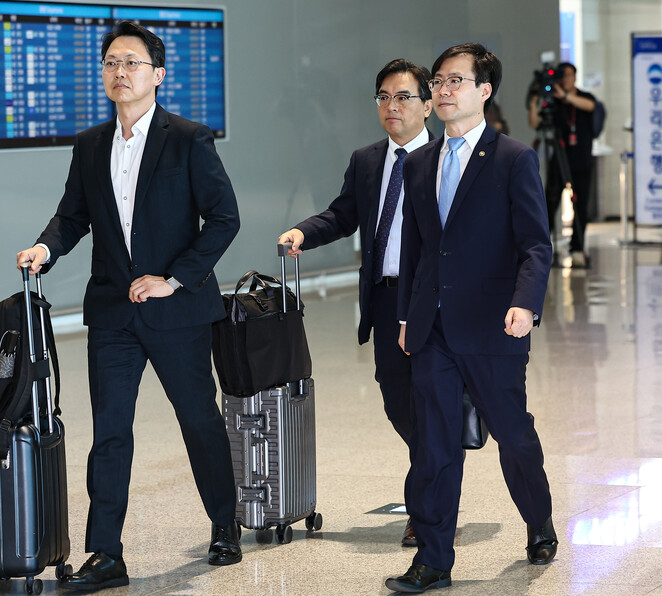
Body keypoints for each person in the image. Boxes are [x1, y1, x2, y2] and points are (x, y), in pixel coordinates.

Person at [15, 21, 242, 591]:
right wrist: (46, 246)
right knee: (110, 431)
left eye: (132, 63)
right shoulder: (90, 143)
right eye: (112, 62)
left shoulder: (188, 138)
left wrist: (174, 279)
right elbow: (73, 215)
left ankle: (225, 526)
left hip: (177, 310)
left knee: (199, 421)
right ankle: (106, 553)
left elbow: (224, 219)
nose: (121, 72)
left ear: (158, 75)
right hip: (113, 312)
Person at [386, 43, 555, 593]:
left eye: (456, 81)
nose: (443, 90)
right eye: (438, 81)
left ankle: (539, 520)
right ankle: (434, 559)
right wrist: (409, 317)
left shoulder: (512, 158)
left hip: (493, 325)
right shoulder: (418, 162)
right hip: (433, 328)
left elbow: (535, 244)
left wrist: (526, 303)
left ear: (484, 91)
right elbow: (416, 248)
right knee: (434, 445)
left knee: (513, 435)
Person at [278, 58, 433, 547]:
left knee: (432, 400)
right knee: (397, 402)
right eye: (383, 96)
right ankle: (440, 462)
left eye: (403, 96)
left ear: (428, 104)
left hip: (432, 302)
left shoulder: (448, 157)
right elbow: (343, 215)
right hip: (386, 301)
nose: (392, 106)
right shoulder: (367, 160)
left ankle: (427, 505)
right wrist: (304, 230)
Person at [528, 62, 596, 268]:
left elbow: (590, 106)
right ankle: (542, 248)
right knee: (550, 203)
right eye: (562, 76)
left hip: (581, 160)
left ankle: (577, 249)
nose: (565, 80)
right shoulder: (554, 105)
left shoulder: (584, 97)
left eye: (568, 76)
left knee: (580, 206)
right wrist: (534, 101)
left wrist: (564, 97)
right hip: (559, 160)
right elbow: (534, 123)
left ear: (575, 77)